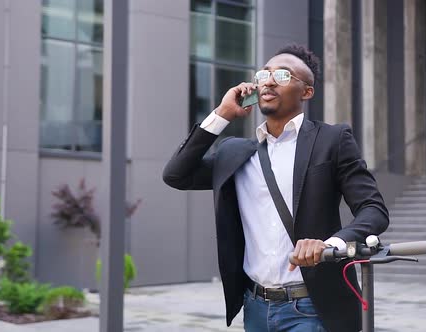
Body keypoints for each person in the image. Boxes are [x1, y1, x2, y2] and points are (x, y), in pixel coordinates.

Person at [163, 44, 389, 332]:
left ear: (306, 92)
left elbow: (374, 211)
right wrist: (222, 114)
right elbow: (175, 175)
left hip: (311, 309)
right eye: (264, 74)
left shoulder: (332, 140)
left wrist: (330, 244)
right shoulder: (235, 154)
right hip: (255, 308)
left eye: (282, 75)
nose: (268, 80)